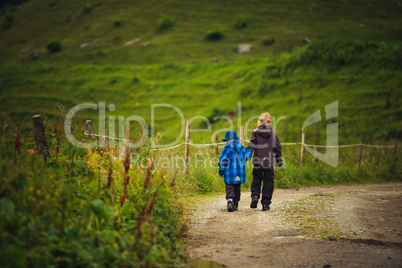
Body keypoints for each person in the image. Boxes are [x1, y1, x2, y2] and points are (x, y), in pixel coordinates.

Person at [247, 112, 283, 211]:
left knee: (256, 180)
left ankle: (255, 196)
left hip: (258, 161)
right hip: (269, 162)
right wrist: (279, 161)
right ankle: (265, 204)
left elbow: (251, 145)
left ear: (259, 121)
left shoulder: (255, 132)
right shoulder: (274, 135)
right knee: (268, 183)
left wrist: (246, 154)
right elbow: (278, 148)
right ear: (270, 123)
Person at [218, 130, 252, 212]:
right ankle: (236, 203)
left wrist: (221, 171)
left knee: (229, 187)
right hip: (240, 174)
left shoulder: (226, 149)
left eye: (226, 140)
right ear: (236, 139)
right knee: (237, 188)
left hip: (229, 174)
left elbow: (222, 161)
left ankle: (230, 201)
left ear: (228, 140)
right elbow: (248, 155)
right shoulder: (242, 148)